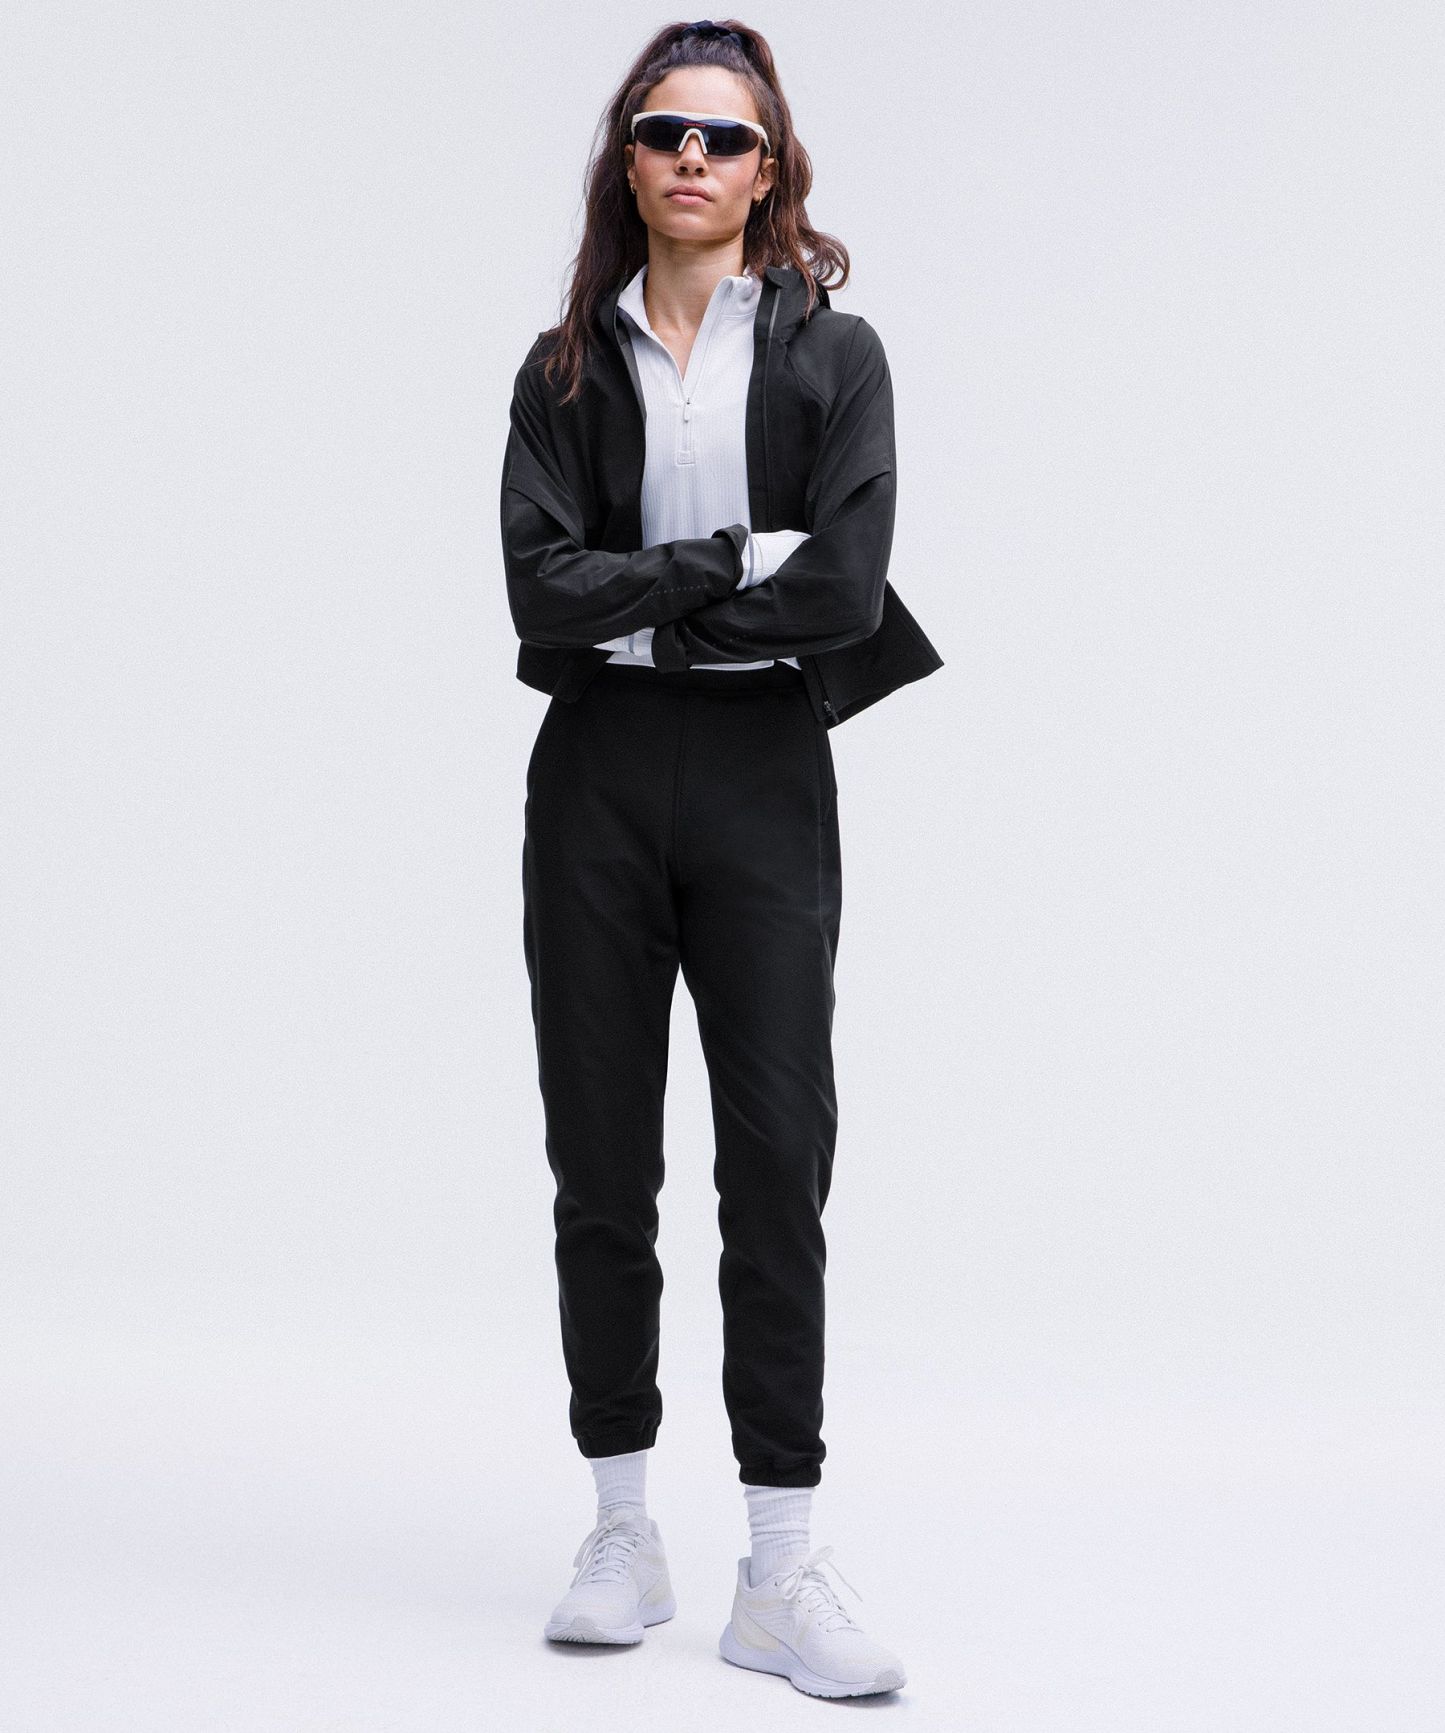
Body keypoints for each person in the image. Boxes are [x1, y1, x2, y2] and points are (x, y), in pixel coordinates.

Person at [500, 18, 941, 1700]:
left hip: (763, 774)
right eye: (663, 130)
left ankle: (777, 1565)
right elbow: (537, 594)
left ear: (770, 171)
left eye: (725, 136)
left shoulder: (838, 356)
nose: (693, 156)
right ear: (628, 160)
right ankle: (620, 1525)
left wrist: (649, 596)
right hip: (595, 780)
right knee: (599, 1163)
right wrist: (726, 561)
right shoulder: (562, 369)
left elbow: (842, 589)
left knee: (773, 1161)